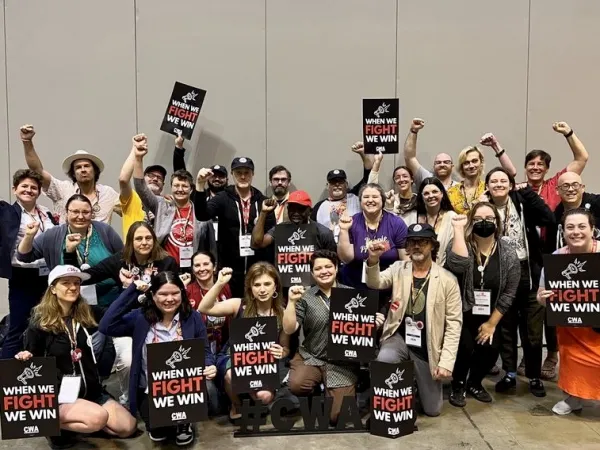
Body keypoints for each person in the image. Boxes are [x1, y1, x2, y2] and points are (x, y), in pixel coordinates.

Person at [16, 265, 136, 449]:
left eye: (76, 283)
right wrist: (25, 357)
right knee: (99, 418)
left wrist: (131, 289)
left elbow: (114, 315)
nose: (73, 287)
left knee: (128, 427)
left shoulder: (86, 313)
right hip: (61, 396)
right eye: (66, 283)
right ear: (53, 289)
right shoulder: (39, 325)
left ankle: (82, 421)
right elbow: (33, 363)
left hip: (92, 392)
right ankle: (50, 424)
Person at [63, 221, 178, 405]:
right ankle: (128, 396)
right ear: (130, 242)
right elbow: (84, 277)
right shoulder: (119, 261)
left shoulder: (167, 262)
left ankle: (160, 397)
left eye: (148, 238)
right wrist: (69, 253)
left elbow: (174, 294)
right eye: (138, 238)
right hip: (127, 321)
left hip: (156, 321)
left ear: (154, 240)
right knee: (128, 360)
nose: (144, 242)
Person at [99, 271, 217, 445]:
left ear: (182, 294)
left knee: (181, 422)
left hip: (185, 389)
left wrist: (209, 364)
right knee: (160, 431)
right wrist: (132, 290)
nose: (169, 299)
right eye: (162, 294)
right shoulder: (140, 318)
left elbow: (205, 350)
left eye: (175, 293)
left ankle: (184, 424)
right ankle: (168, 424)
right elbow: (106, 325)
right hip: (150, 390)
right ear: (153, 296)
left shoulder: (193, 317)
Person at [366, 224, 462, 417]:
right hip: (399, 337)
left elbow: (454, 324)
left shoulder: (447, 280)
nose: (417, 246)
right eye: (412, 242)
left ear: (432, 246)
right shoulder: (398, 268)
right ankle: (402, 388)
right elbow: (374, 282)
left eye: (423, 242)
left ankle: (416, 384)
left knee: (432, 410)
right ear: (408, 247)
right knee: (384, 359)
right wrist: (373, 259)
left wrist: (446, 362)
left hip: (427, 346)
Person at [283, 250, 382, 423]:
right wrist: (291, 303)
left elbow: (363, 328)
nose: (324, 271)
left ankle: (337, 389)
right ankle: (314, 392)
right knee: (297, 384)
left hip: (341, 362)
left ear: (336, 268)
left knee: (337, 417)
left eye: (328, 266)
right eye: (318, 268)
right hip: (311, 355)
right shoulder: (305, 297)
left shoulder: (353, 295)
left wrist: (373, 322)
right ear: (312, 273)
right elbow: (290, 328)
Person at [482, 168, 554, 397]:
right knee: (506, 329)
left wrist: (529, 193)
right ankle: (510, 373)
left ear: (511, 185)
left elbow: (548, 218)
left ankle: (533, 376)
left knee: (533, 332)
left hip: (528, 272)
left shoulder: (522, 202)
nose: (499, 184)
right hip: (502, 273)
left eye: (504, 180)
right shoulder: (485, 209)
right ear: (488, 186)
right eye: (494, 181)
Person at [445, 206, 520, 407]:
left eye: (488, 218)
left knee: (490, 350)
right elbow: (457, 265)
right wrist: (459, 231)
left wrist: (491, 324)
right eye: (477, 218)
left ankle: (475, 383)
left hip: (492, 312)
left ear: (497, 221)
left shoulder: (508, 253)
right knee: (463, 348)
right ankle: (458, 384)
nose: (483, 222)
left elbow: (509, 292)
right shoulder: (461, 244)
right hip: (464, 310)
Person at [198, 263, 289, 421]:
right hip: (233, 357)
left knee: (264, 397)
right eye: (257, 285)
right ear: (250, 288)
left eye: (267, 284)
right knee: (232, 375)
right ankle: (236, 405)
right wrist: (219, 283)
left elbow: (285, 346)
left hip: (263, 362)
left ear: (276, 287)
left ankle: (253, 400)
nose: (262, 289)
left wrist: (282, 351)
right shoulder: (238, 305)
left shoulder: (282, 312)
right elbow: (204, 308)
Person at [537, 209, 600, 415]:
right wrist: (543, 299)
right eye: (570, 227)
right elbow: (541, 294)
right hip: (571, 325)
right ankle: (574, 397)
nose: (576, 232)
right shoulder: (557, 258)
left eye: (582, 226)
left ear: (593, 230)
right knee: (573, 363)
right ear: (563, 232)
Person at [17, 194, 123, 306]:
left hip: (110, 301)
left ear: (92, 214)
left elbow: (123, 259)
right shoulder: (53, 235)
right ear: (67, 213)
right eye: (75, 212)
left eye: (85, 212)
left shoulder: (105, 231)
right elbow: (24, 256)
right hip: (69, 303)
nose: (80, 216)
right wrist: (29, 236)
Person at [194, 157, 275, 297]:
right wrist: (200, 185)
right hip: (229, 269)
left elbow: (270, 233)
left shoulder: (262, 200)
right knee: (233, 311)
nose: (243, 176)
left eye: (247, 172)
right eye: (238, 173)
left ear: (253, 174)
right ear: (232, 174)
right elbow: (202, 215)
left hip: (256, 268)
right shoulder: (223, 197)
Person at [133, 136, 215, 268]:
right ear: (171, 187)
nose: (180, 190)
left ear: (191, 189)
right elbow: (140, 187)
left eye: (184, 186)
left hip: (195, 270)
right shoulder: (161, 205)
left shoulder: (201, 212)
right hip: (165, 268)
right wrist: (138, 157)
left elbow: (211, 247)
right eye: (176, 186)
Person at [0, 170, 56, 358]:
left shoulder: (46, 213)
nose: (29, 190)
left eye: (34, 187)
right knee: (18, 326)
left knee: (46, 325)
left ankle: (44, 377)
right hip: (21, 275)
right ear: (15, 189)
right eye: (24, 186)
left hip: (47, 276)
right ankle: (6, 380)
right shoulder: (6, 211)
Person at [20, 125, 119, 224]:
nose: (83, 170)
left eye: (87, 166)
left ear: (95, 170)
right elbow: (37, 170)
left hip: (100, 239)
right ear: (73, 173)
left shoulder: (108, 193)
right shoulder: (63, 189)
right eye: (78, 167)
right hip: (67, 239)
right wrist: (27, 141)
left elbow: (130, 208)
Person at [498, 121, 588, 211]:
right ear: (525, 168)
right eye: (531, 164)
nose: (535, 167)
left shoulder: (554, 185)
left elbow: (581, 158)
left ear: (547, 169)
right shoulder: (518, 189)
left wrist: (568, 133)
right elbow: (508, 175)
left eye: (540, 164)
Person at [184, 250, 232, 416]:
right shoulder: (187, 291)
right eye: (197, 265)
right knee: (215, 408)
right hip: (200, 354)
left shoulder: (225, 287)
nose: (201, 268)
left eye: (206, 264)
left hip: (223, 349)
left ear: (214, 267)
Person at [337, 183, 407, 292]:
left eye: (375, 197)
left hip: (387, 286)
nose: (370, 200)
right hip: (355, 286)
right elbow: (347, 258)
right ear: (360, 202)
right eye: (366, 197)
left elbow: (405, 260)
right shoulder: (351, 222)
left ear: (382, 200)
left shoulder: (396, 223)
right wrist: (344, 230)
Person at [311, 141, 375, 241]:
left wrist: (362, 153)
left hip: (355, 246)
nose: (337, 184)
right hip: (329, 250)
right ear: (327, 186)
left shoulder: (356, 197)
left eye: (340, 182)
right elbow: (312, 233)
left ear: (346, 184)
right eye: (333, 182)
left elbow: (370, 175)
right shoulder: (319, 207)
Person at [251, 190, 337, 252]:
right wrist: (263, 212)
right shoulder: (280, 229)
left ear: (310, 211)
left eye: (301, 209)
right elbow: (256, 243)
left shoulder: (323, 233)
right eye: (292, 209)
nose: (296, 213)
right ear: (287, 209)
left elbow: (332, 261)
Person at [119, 134, 167, 235]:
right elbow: (123, 180)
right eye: (151, 175)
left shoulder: (166, 205)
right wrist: (136, 152)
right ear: (142, 178)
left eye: (159, 178)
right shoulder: (131, 197)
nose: (155, 179)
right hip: (133, 249)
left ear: (163, 185)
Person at [402, 118, 458, 190]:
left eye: (446, 162)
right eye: (438, 162)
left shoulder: (460, 188)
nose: (442, 165)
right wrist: (413, 131)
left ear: (452, 166)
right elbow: (409, 157)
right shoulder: (426, 179)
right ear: (434, 166)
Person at [414, 177, 457, 266]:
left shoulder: (452, 217)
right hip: (418, 270)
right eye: (426, 193)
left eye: (434, 192)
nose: (431, 196)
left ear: (442, 194)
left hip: (444, 271)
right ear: (421, 197)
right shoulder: (415, 217)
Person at [367, 152, 418, 225]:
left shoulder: (419, 200)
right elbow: (371, 189)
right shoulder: (390, 200)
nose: (401, 179)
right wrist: (377, 163)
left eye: (405, 176)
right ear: (394, 181)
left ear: (412, 179)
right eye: (397, 177)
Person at [447, 146, 487, 215]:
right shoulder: (451, 192)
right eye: (466, 163)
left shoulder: (487, 189)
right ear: (461, 166)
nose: (471, 166)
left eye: (474, 161)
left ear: (481, 163)